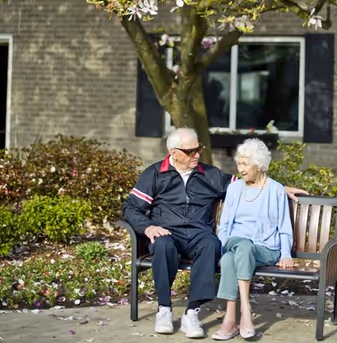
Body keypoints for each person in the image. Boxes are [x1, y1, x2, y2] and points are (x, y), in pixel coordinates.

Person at [122, 128, 307, 339]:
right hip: (167, 231)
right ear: (174, 153)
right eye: (191, 151)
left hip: (199, 234)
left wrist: (280, 189)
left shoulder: (209, 175)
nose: (197, 155)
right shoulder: (154, 174)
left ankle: (192, 313)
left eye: (198, 149)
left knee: (211, 244)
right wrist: (148, 227)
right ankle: (164, 308)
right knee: (163, 245)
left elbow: (250, 181)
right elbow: (130, 208)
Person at [212, 138, 295, 341]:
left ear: (258, 165)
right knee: (241, 245)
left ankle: (230, 320)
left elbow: (284, 226)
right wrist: (220, 249)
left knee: (231, 260)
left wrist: (285, 254)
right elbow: (225, 226)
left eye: (245, 164)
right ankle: (246, 310)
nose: (240, 168)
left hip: (265, 248)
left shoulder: (276, 190)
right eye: (239, 163)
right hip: (236, 242)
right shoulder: (234, 189)